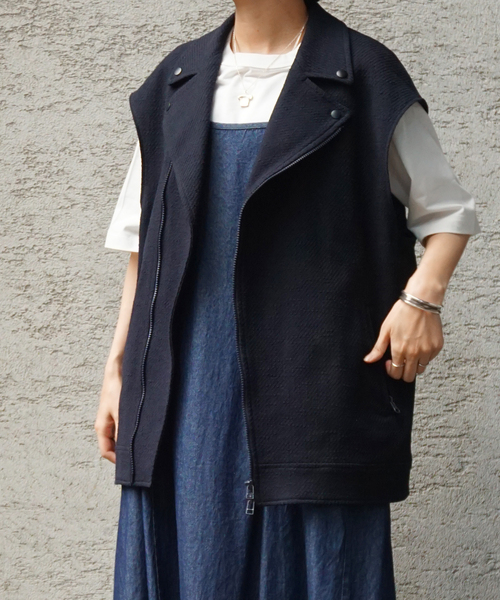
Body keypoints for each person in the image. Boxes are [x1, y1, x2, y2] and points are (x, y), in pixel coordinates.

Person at [96, 0, 481, 598]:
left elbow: (447, 212)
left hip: (317, 397)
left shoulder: (362, 74)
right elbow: (145, 244)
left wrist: (421, 301)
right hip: (187, 395)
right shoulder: (176, 82)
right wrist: (120, 368)